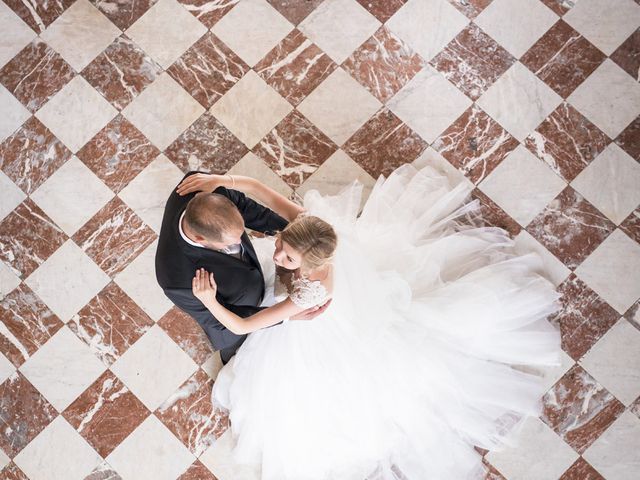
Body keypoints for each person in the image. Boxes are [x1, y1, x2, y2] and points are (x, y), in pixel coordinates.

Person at [178, 164, 562, 480]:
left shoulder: (309, 293)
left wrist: (209, 301)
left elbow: (246, 327)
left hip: (316, 338)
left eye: (288, 258)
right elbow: (261, 189)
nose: (277, 254)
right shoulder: (309, 231)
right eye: (280, 245)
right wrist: (222, 182)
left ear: (309, 266)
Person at [155, 171, 329, 364]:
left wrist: (299, 241)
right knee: (238, 351)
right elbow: (224, 322)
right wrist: (287, 318)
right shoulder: (176, 280)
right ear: (200, 239)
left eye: (240, 232)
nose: (241, 241)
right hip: (235, 318)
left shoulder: (208, 190)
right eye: (230, 242)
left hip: (262, 287)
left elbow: (255, 211)